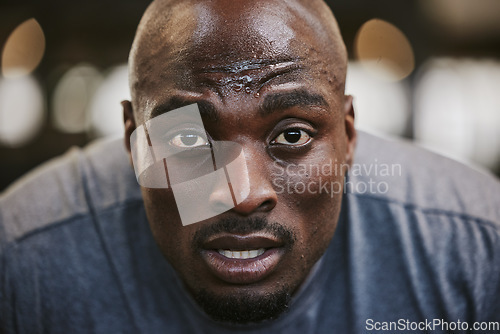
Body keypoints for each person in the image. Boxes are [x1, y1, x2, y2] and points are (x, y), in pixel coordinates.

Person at [1, 0, 499, 333]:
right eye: (189, 138)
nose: (242, 194)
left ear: (349, 136)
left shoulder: (473, 251)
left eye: (292, 136)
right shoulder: (23, 262)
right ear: (134, 141)